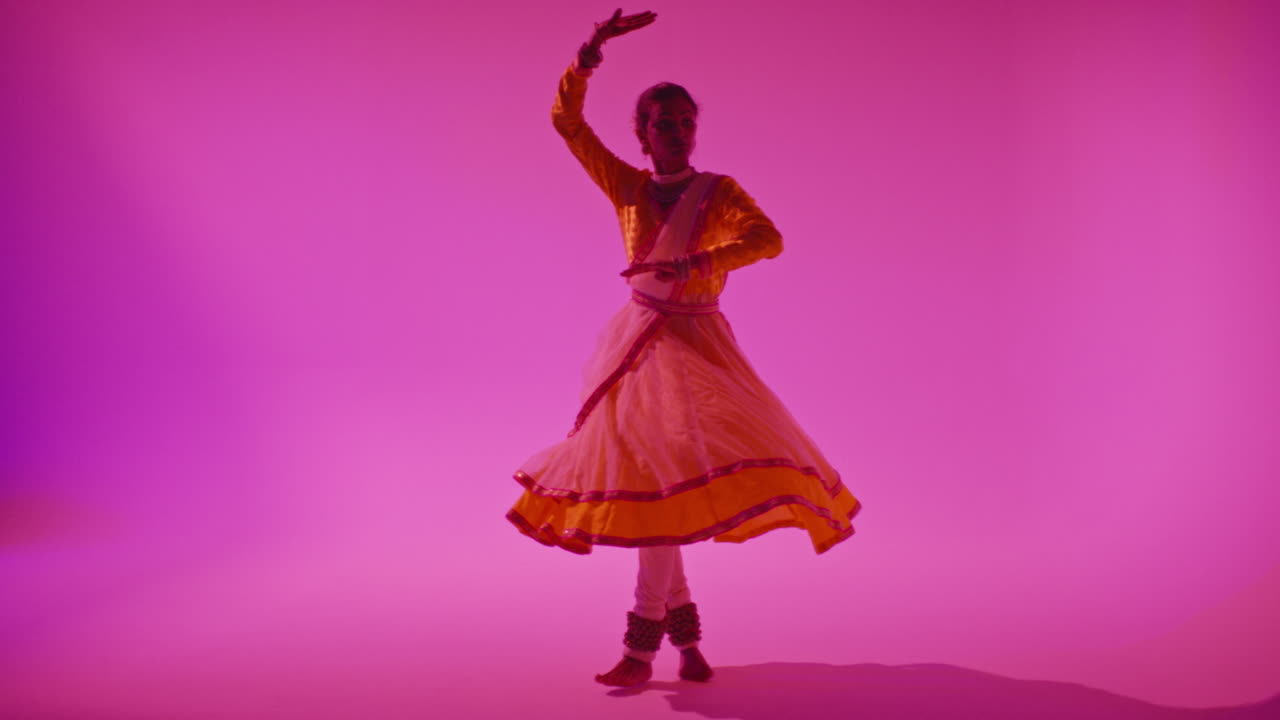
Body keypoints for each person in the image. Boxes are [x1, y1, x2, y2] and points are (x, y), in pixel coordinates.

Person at [505, 9, 862, 688]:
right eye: (662, 122)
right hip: (640, 346)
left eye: (684, 121)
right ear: (641, 136)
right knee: (654, 485)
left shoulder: (717, 192)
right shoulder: (629, 186)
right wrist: (588, 57)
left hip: (697, 348)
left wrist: (696, 264)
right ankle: (681, 646)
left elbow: (768, 238)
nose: (675, 131)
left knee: (662, 484)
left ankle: (647, 651)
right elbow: (567, 126)